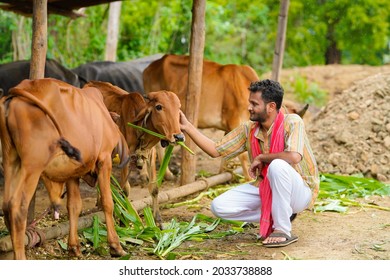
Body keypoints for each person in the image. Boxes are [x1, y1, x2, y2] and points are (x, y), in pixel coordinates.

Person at [179, 79, 319, 247]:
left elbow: (294, 156)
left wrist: (262, 158)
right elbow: (215, 150)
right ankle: (279, 212)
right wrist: (187, 127)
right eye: (250, 102)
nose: (249, 107)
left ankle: (282, 229)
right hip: (265, 187)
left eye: (254, 104)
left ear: (271, 107)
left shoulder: (293, 121)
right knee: (219, 207)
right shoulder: (249, 129)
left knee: (277, 165)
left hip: (300, 191)